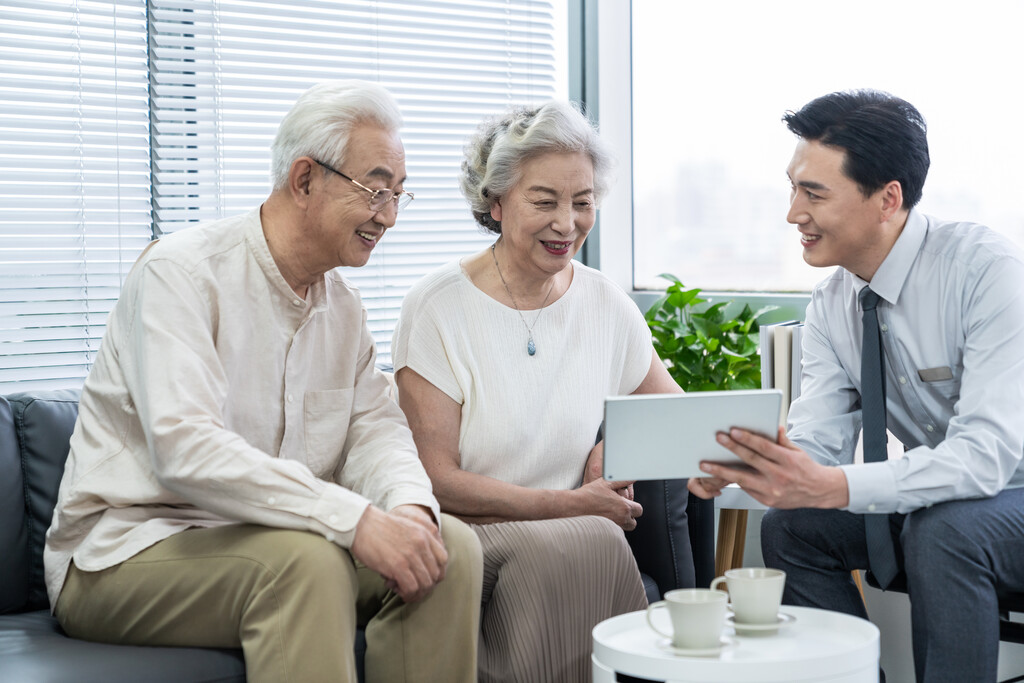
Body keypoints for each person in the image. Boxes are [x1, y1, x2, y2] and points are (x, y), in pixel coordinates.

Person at [43, 81, 482, 683]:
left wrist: (408, 510)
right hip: (124, 553)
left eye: (400, 196)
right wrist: (354, 520)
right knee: (304, 565)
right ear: (305, 180)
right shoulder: (182, 273)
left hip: (269, 538)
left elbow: (375, 432)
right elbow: (184, 448)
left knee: (449, 551)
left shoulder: (344, 312)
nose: (389, 217)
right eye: (377, 191)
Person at [688, 89, 1024, 682]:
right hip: (947, 504)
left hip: (1008, 494)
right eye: (793, 188)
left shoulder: (984, 271)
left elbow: (985, 460)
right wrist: (756, 467)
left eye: (814, 193)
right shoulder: (833, 305)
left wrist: (831, 483)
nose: (793, 212)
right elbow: (818, 443)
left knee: (941, 530)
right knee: (793, 527)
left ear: (887, 199)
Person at [391, 100, 688, 683]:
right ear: (495, 203)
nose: (567, 223)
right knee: (582, 541)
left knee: (583, 539)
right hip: (473, 530)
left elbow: (673, 416)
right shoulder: (437, 308)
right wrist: (570, 506)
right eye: (544, 201)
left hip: (575, 525)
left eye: (582, 202)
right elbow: (435, 479)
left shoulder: (604, 302)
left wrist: (615, 448)